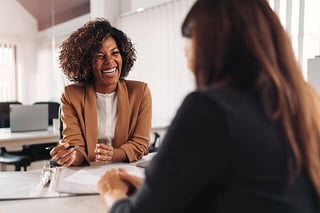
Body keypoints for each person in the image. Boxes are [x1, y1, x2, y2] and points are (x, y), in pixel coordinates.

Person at [97, 0, 320, 212]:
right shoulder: (303, 103)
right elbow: (247, 193)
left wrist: (112, 192)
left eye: (190, 41)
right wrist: (160, 190)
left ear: (210, 46)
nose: (186, 55)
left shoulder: (211, 109)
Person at [50, 18, 152, 167]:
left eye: (115, 53)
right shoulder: (71, 95)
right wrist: (70, 156)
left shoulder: (140, 92)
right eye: (99, 56)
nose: (110, 61)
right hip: (86, 173)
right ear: (86, 63)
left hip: (125, 170)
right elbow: (76, 147)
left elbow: (140, 143)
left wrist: (114, 154)